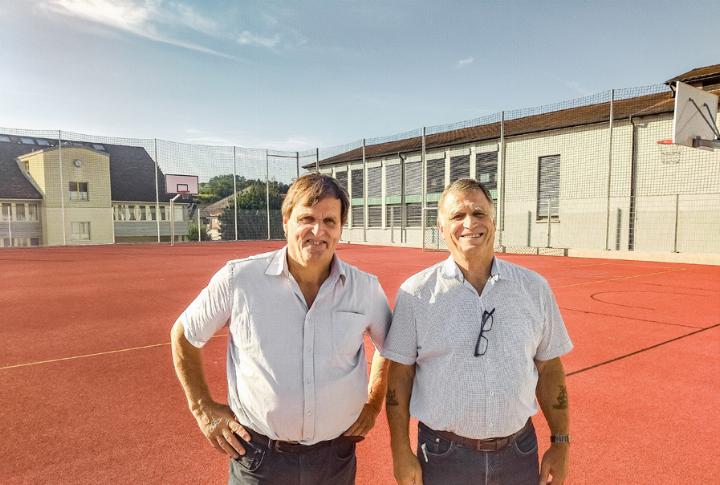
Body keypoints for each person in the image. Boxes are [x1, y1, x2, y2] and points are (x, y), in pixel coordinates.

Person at [171, 173, 391, 485]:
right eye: (307, 218)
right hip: (259, 460)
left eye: (330, 221)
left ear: (340, 228)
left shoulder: (365, 289)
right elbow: (184, 335)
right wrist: (202, 407)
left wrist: (373, 404)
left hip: (335, 459)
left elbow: (390, 348)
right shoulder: (240, 279)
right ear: (286, 221)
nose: (318, 230)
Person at [383, 178, 573, 485]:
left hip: (519, 454)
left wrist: (561, 443)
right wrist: (400, 451)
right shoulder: (416, 293)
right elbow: (400, 375)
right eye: (457, 216)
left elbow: (549, 366)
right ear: (440, 227)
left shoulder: (533, 288)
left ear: (494, 222)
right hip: (442, 457)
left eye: (479, 213)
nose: (470, 223)